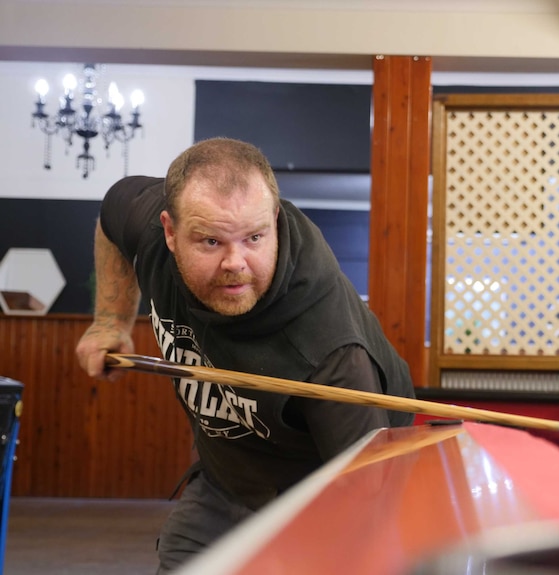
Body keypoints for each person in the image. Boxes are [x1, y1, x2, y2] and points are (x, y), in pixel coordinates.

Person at [75, 137, 416, 572]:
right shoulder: (145, 224)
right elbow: (111, 213)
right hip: (226, 477)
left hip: (319, 494)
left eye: (254, 237)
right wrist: (110, 321)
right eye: (211, 242)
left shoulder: (332, 353)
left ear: (274, 220)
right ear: (170, 231)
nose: (235, 262)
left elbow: (368, 504)